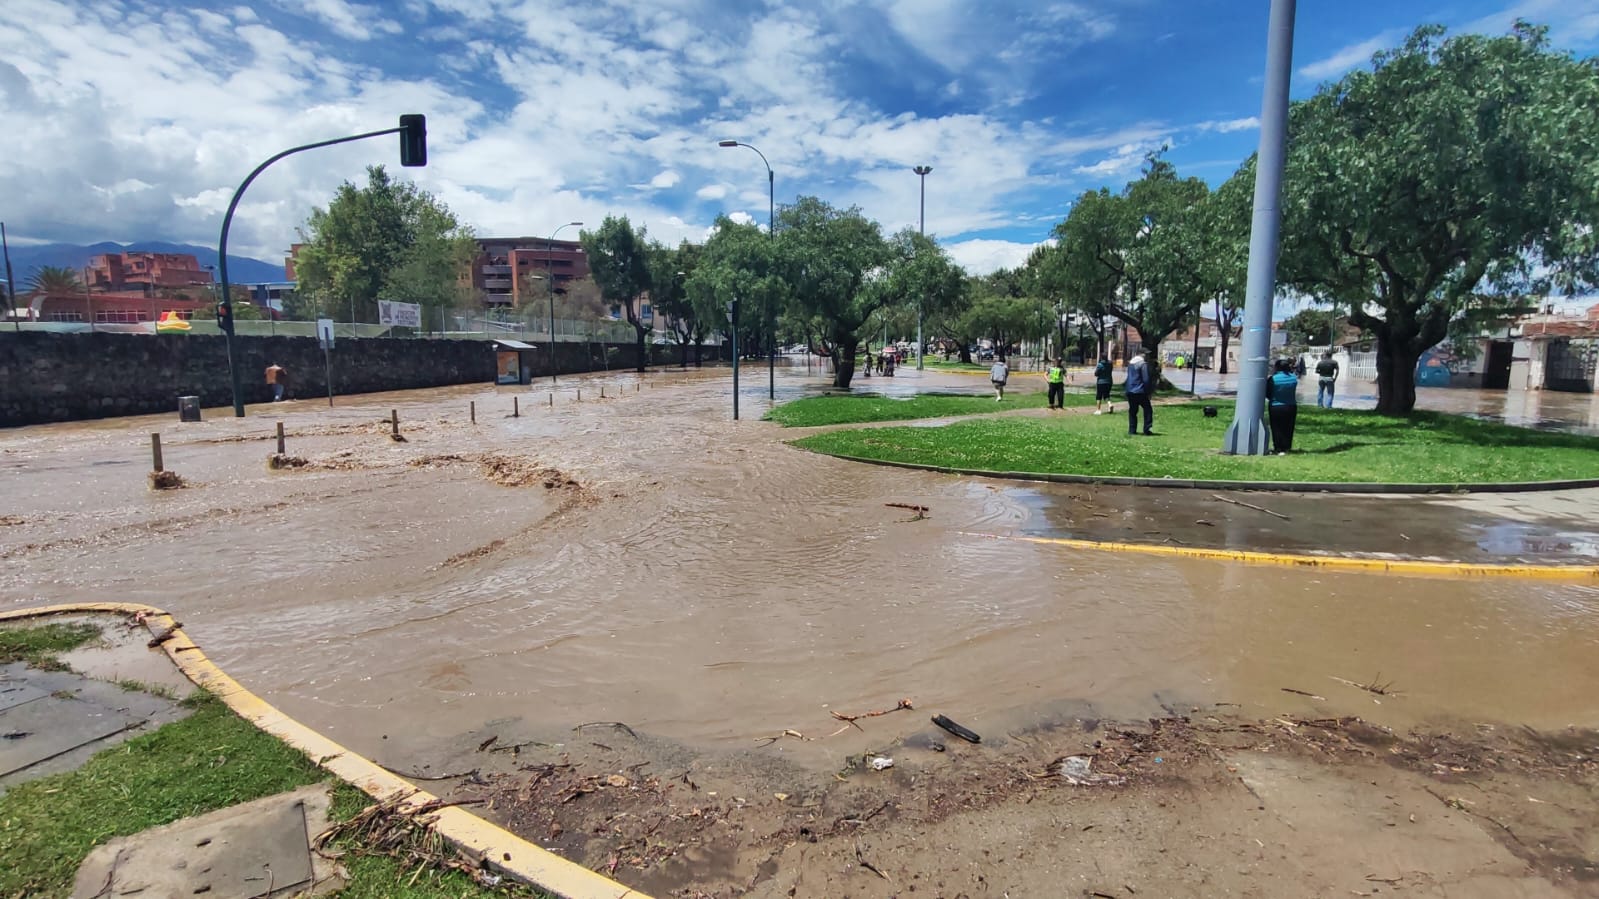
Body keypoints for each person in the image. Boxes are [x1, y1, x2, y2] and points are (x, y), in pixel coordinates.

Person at [1268, 358, 1299, 454]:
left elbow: (1268, 393)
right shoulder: (1294, 378)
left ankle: (1278, 447)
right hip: (1291, 406)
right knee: (1288, 427)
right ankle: (1286, 447)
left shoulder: (1273, 379)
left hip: (1276, 406)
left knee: (1276, 427)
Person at [1125, 353, 1153, 435]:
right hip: (1140, 391)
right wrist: (1148, 391)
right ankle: (1146, 429)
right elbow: (1146, 379)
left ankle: (1132, 430)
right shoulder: (1143, 364)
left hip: (1130, 390)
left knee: (1132, 411)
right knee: (1148, 409)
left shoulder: (1130, 364)